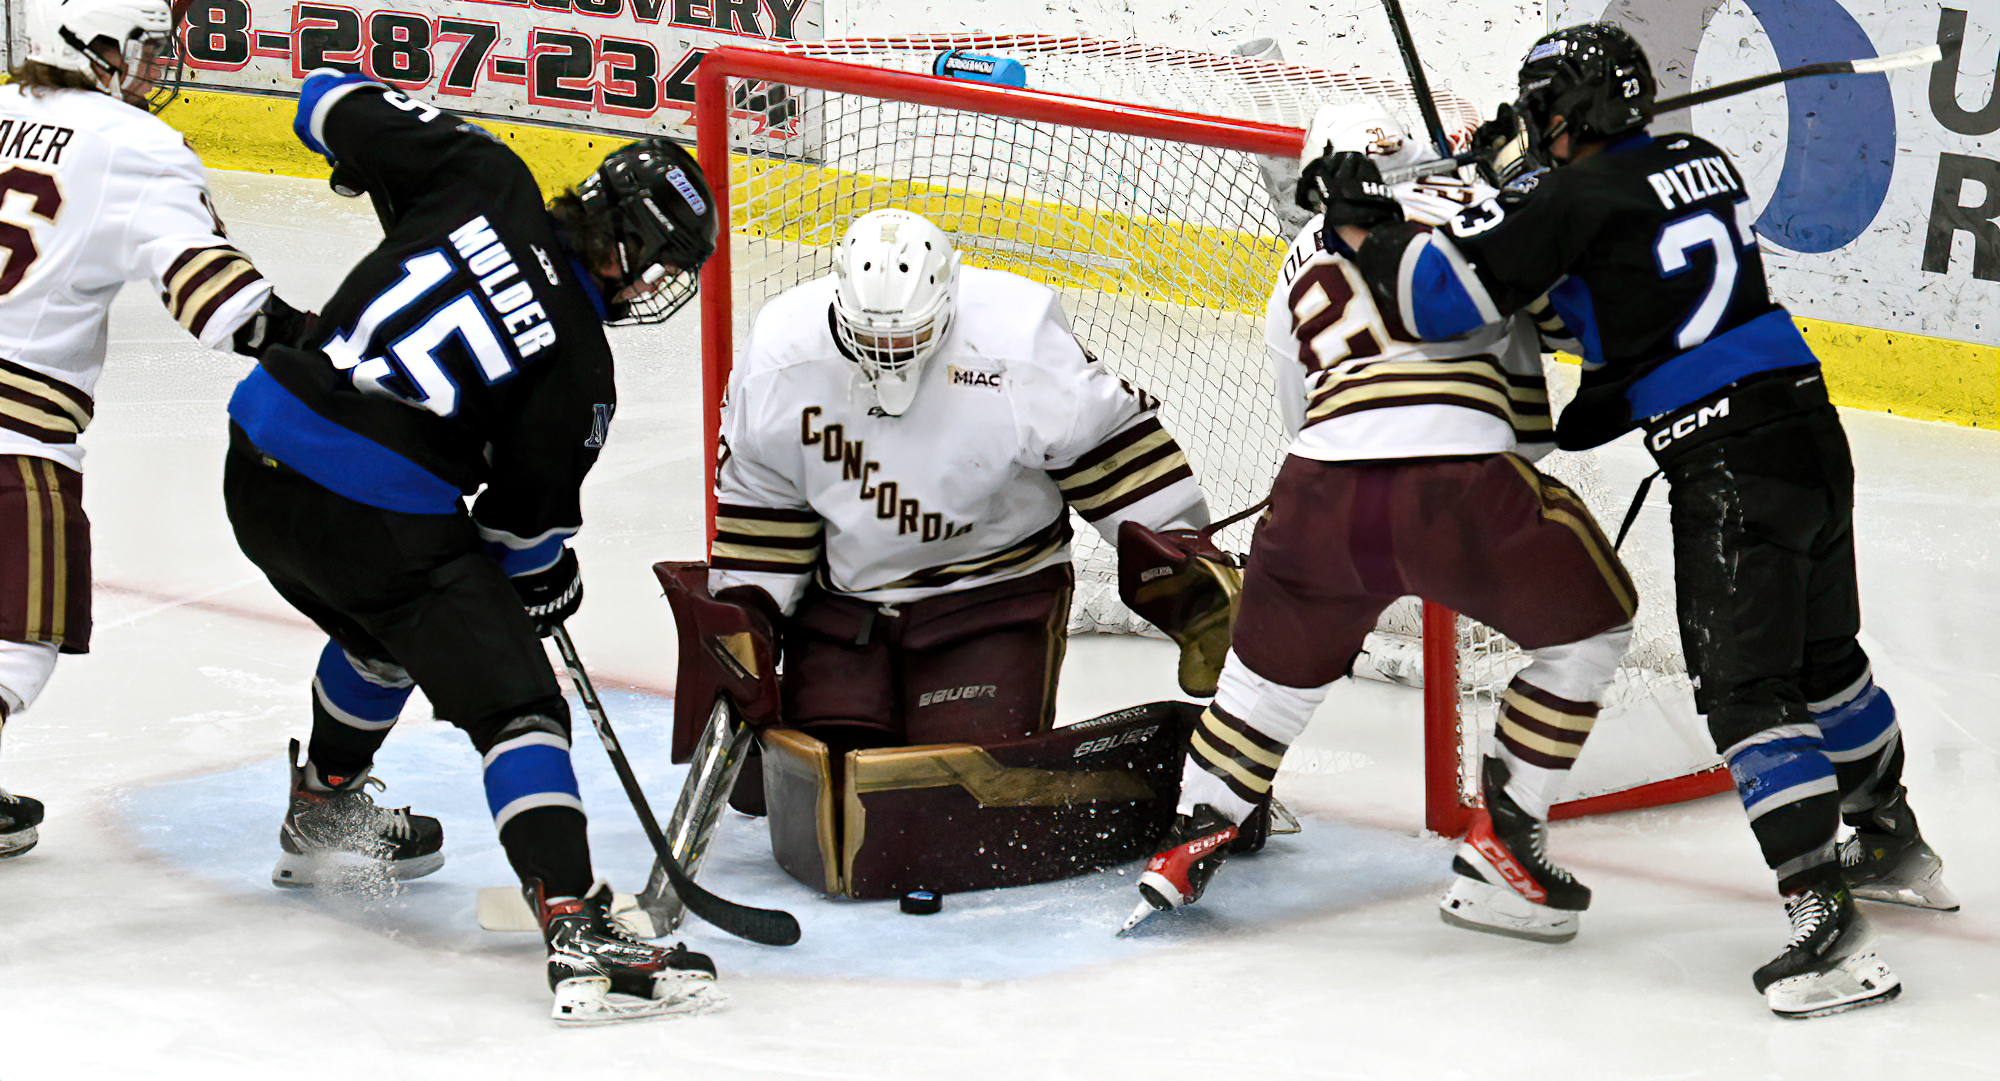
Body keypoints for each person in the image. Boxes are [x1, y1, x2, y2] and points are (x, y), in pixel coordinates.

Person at [1306, 23, 1951, 1018]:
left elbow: (1440, 301)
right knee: (1826, 661)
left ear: (1564, 116)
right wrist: (1507, 191)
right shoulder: (1702, 163)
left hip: (1727, 464)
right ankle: (1892, 838)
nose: (1533, 128)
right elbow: (1604, 275)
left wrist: (1367, 225)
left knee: (1744, 692)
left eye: (1541, 112)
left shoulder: (1571, 193)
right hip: (1807, 433)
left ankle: (1824, 925)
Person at [220, 67, 718, 1024]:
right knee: (518, 702)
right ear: (625, 244)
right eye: (659, 263)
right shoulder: (580, 367)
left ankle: (325, 802)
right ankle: (579, 924)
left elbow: (324, 98)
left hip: (259, 456)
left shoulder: (485, 174)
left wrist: (369, 172)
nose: (657, 286)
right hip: (375, 511)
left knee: (397, 623)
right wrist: (547, 581)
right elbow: (516, 537)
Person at [1124, 102, 1634, 946]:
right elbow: (1562, 331)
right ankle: (1503, 846)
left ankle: (1190, 836)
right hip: (1459, 487)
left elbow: (1302, 414)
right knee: (1592, 629)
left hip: (1319, 492)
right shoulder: (1477, 212)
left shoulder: (1296, 259)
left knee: (1267, 680)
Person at [681, 206, 1239, 897]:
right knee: (823, 791)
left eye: (911, 331)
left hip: (994, 595)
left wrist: (1183, 561)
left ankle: (1223, 780)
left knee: (957, 800)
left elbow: (1117, 454)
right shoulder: (781, 356)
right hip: (846, 605)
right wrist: (748, 618)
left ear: (949, 297)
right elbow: (765, 506)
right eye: (870, 334)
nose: (889, 351)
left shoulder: (1016, 339)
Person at [0, 0, 305, 859]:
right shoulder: (133, 143)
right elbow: (221, 306)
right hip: (14, 432)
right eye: (136, 49)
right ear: (91, 46)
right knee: (14, 648)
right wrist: (321, 341)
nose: (147, 69)